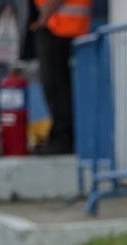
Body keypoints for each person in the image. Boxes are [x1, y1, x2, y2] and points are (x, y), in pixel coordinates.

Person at [30, 0, 92, 155]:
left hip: (59, 24)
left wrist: (44, 16)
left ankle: (63, 139)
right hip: (59, 22)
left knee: (56, 86)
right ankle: (62, 136)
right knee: (58, 85)